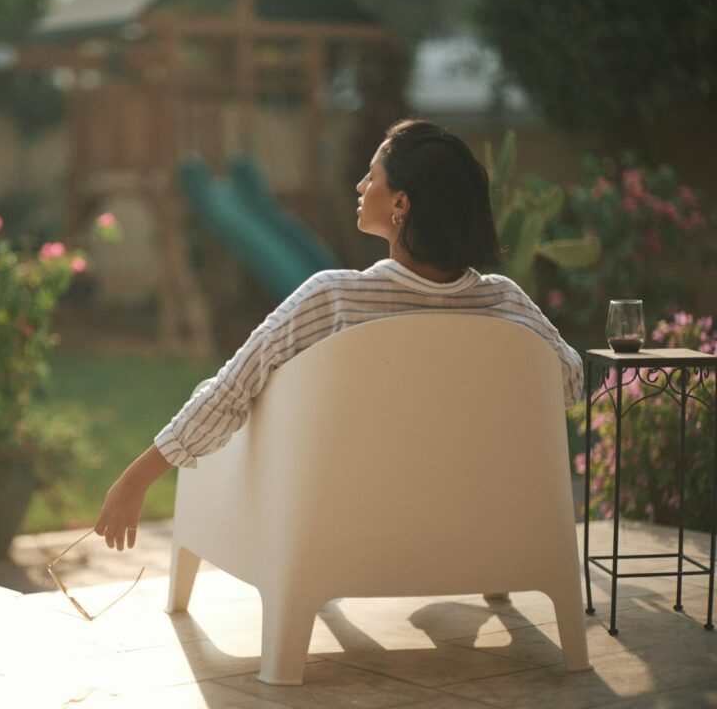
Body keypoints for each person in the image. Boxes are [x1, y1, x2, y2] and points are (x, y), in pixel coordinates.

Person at [94, 119, 583, 552]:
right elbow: (569, 385)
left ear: (401, 203)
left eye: (372, 175)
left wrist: (136, 480)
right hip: (476, 525)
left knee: (226, 394)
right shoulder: (505, 303)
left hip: (346, 532)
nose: (360, 184)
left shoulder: (334, 300)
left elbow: (230, 392)